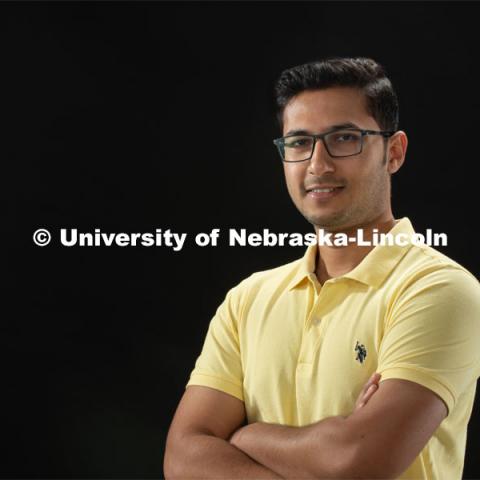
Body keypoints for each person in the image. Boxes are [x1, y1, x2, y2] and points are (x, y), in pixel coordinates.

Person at [163, 57, 480, 479]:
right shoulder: (248, 300)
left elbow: (357, 461)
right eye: (298, 143)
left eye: (344, 138)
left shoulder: (438, 290)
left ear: (395, 152)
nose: (318, 164)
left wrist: (245, 436)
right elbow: (183, 460)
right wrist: (329, 442)